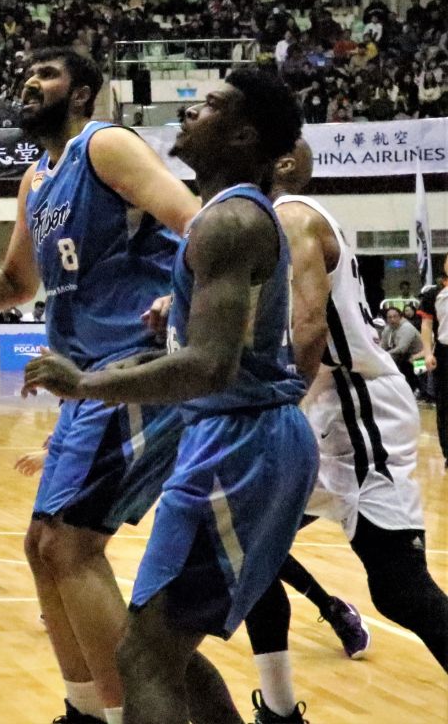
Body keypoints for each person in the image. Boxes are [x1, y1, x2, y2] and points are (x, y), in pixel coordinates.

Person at [0, 49, 199, 724]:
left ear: (85, 92)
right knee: (40, 547)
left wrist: (178, 302)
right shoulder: (36, 180)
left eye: (48, 75)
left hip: (132, 369)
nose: (30, 82)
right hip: (81, 382)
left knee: (70, 546)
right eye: (24, 74)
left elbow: (196, 224)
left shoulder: (107, 145)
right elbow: (15, 284)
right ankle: (84, 708)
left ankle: (133, 715)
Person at [24, 67, 317, 724]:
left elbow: (210, 367)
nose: (190, 113)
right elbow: (224, 336)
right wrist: (175, 318)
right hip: (229, 437)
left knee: (144, 659)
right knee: (161, 652)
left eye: (210, 106)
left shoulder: (232, 221)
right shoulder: (224, 217)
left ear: (243, 134)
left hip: (242, 441)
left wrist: (87, 381)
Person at [240, 139, 447, 723]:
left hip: (358, 410)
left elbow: (308, 332)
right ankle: (280, 711)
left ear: (279, 158)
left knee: (400, 588)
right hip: (321, 407)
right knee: (252, 547)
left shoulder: (293, 217)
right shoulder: (257, 222)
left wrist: (270, 415)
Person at [419, 256, 448, 469]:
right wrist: (428, 353)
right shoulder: (433, 293)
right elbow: (427, 326)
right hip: (444, 353)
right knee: (445, 404)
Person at [380, 304, 424, 394]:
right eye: (389, 317)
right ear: (386, 319)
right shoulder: (388, 328)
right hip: (405, 356)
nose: (392, 319)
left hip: (421, 355)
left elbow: (401, 348)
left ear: (400, 317)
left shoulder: (406, 327)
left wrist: (385, 354)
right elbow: (383, 346)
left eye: (395, 316)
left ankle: (422, 391)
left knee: (405, 362)